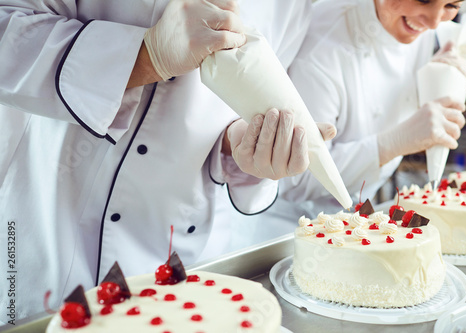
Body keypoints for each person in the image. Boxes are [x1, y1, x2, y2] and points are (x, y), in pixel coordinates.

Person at [0, 0, 332, 324]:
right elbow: (7, 31)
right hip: (51, 232)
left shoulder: (296, 7)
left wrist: (240, 146)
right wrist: (144, 57)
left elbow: (239, 108)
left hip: (181, 260)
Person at [211, 0, 466, 252]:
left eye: (452, 5)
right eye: (423, 0)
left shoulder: (420, 29)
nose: (435, 22)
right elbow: (296, 175)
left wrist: (440, 78)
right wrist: (394, 143)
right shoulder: (325, 47)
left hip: (358, 226)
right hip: (287, 231)